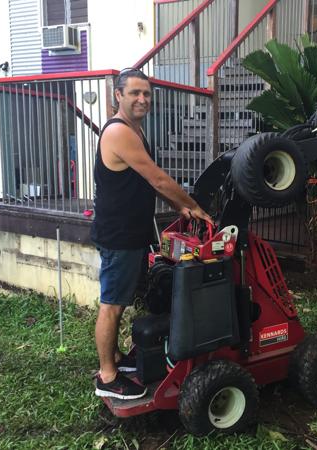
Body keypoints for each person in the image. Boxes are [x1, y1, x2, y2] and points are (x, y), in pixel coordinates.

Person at [91, 68, 212, 400]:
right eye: (134, 93)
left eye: (146, 93)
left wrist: (179, 207)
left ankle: (116, 357)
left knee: (120, 301)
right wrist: (194, 206)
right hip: (119, 235)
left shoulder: (135, 129)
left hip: (130, 232)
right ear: (118, 95)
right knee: (112, 305)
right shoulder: (119, 131)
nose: (142, 99)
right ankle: (107, 376)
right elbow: (157, 178)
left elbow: (146, 181)